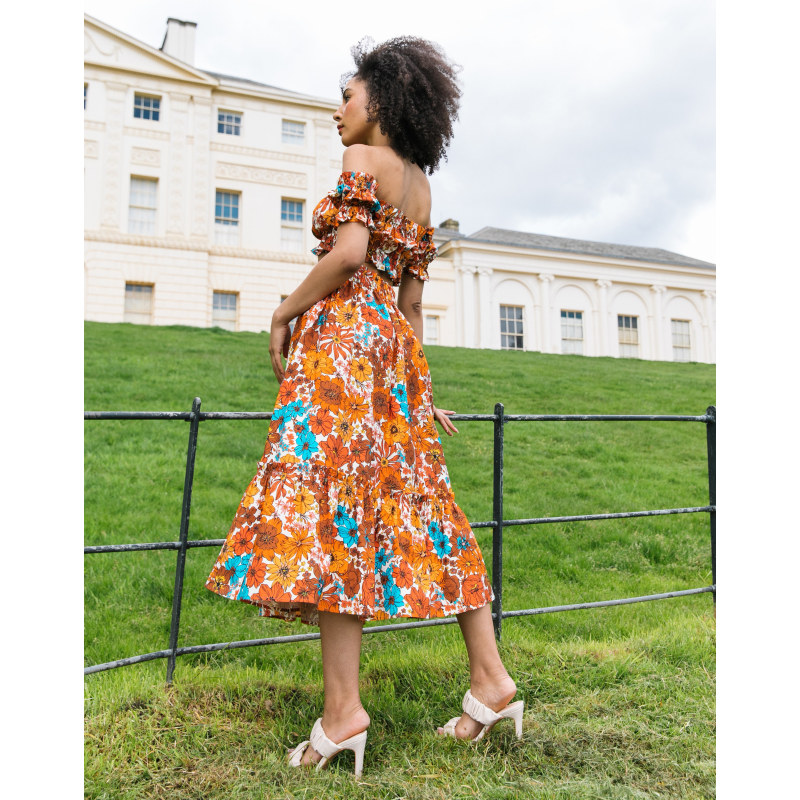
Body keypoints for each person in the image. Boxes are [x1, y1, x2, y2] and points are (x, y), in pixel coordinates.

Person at [205, 36, 522, 776]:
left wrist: (282, 312)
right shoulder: (420, 186)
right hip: (390, 356)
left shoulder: (360, 163)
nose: (336, 109)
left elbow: (347, 256)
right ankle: (491, 681)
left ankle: (344, 715)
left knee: (332, 517)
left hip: (345, 349)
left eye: (346, 96)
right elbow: (411, 305)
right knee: (430, 514)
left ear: (379, 99)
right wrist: (419, 392)